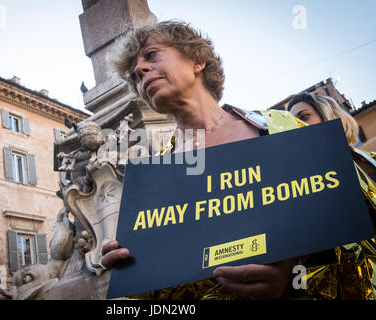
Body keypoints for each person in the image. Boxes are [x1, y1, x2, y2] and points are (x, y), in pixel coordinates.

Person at [100, 20, 305, 300]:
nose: (140, 70)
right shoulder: (153, 182)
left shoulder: (277, 127)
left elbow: (341, 218)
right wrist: (132, 269)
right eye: (134, 76)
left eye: (151, 55)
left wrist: (293, 276)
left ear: (197, 60)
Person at [288, 92, 376, 300]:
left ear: (329, 116)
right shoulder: (298, 188)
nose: (296, 125)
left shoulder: (369, 163)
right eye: (291, 122)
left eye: (305, 116)